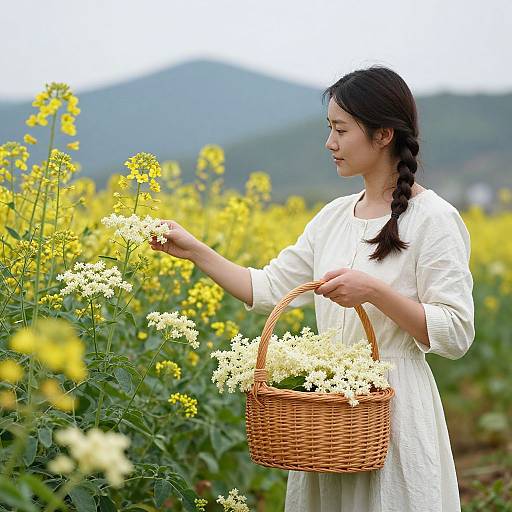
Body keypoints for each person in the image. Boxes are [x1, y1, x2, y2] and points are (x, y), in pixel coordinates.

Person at [149, 65, 475, 512]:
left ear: (382, 135)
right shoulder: (332, 218)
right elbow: (264, 288)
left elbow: (456, 332)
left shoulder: (434, 219)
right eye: (329, 129)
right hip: (326, 424)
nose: (330, 143)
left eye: (341, 130)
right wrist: (194, 250)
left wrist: (375, 293)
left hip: (394, 417)